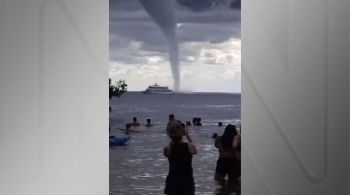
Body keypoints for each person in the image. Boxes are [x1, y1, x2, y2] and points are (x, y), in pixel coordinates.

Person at [164, 120, 197, 195]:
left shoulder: (168, 148)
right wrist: (187, 135)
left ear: (170, 135)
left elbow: (167, 154)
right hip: (187, 181)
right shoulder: (190, 146)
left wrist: (172, 139)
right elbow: (195, 151)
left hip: (172, 181)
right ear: (182, 133)